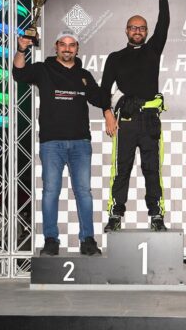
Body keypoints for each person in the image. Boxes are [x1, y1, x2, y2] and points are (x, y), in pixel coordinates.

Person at [14, 30, 114, 256]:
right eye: (63, 44)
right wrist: (21, 50)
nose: (67, 48)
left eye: (72, 45)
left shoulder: (84, 75)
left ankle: (88, 240)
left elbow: (99, 98)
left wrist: (108, 111)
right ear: (56, 47)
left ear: (77, 49)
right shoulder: (43, 69)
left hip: (80, 143)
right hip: (52, 143)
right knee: (50, 192)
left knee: (84, 193)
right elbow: (18, 73)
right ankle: (51, 240)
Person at [101, 0, 169, 232]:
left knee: (152, 170)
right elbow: (103, 90)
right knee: (121, 170)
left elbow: (165, 21)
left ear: (147, 32)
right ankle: (115, 214)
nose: (137, 31)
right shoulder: (115, 57)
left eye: (142, 28)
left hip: (150, 120)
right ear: (126, 31)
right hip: (126, 121)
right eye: (133, 27)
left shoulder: (153, 50)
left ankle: (156, 215)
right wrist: (108, 113)